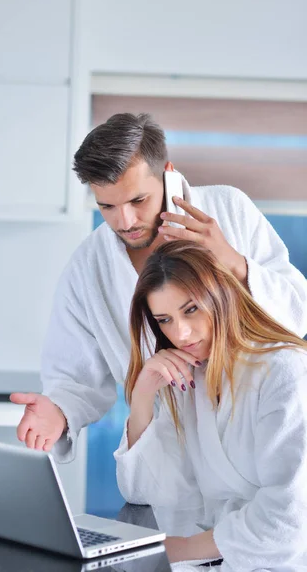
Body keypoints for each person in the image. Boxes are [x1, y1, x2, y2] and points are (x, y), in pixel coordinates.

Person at [10, 113, 307, 462]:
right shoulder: (89, 265)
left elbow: (297, 315)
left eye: (138, 201)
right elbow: (75, 376)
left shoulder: (228, 209)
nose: (126, 222)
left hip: (257, 439)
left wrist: (233, 262)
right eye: (107, 206)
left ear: (166, 173)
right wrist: (58, 411)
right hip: (168, 461)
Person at [115, 239, 307, 570]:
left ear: (222, 294)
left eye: (191, 309)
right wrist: (142, 396)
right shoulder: (188, 378)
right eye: (164, 320)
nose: (182, 333)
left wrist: (186, 548)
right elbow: (142, 493)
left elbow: (288, 520)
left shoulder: (286, 371)